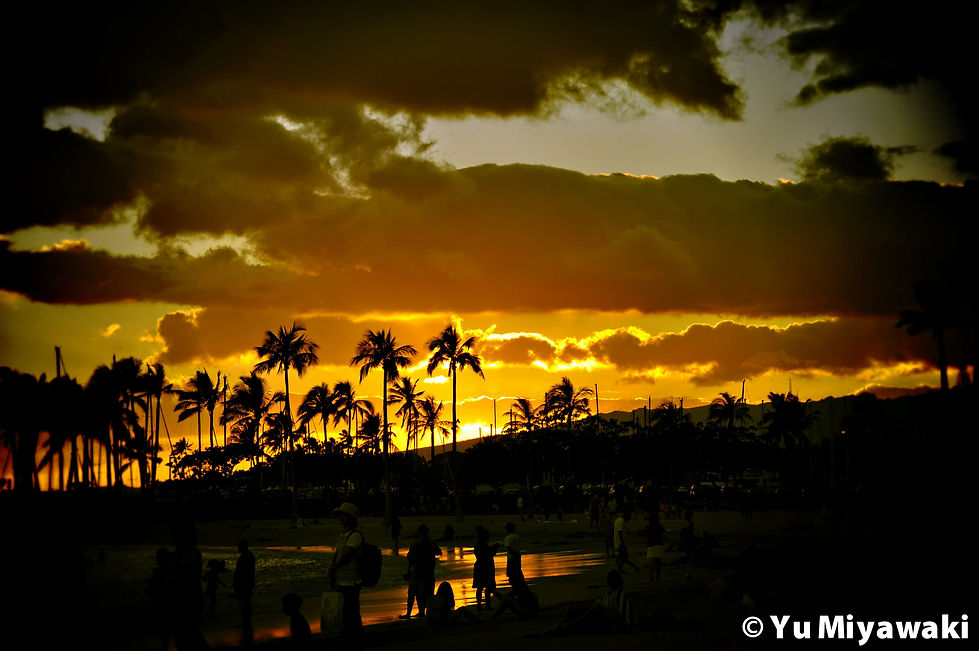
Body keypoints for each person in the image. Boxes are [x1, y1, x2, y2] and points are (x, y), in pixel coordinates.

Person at [543, 569, 634, 637]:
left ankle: (565, 627)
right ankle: (557, 628)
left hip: (606, 623)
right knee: (573, 609)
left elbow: (625, 620)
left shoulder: (619, 595)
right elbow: (596, 604)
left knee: (592, 610)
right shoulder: (609, 595)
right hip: (599, 618)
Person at [327, 502, 363, 639]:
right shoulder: (343, 535)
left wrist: (333, 568)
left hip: (351, 580)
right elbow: (338, 554)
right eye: (339, 515)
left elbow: (345, 556)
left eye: (344, 515)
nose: (341, 518)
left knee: (351, 612)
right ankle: (351, 636)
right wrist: (332, 571)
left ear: (351, 518)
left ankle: (355, 637)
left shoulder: (355, 535)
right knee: (345, 612)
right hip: (342, 580)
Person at [403, 524, 442, 618]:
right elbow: (439, 552)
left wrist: (408, 571)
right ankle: (423, 612)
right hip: (429, 570)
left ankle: (409, 613)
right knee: (426, 593)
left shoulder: (416, 543)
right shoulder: (431, 542)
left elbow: (410, 559)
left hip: (417, 570)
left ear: (420, 531)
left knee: (413, 593)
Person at [147, 547, 174, 651]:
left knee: (165, 631)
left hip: (165, 605)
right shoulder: (165, 571)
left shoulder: (165, 572)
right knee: (166, 632)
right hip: (164, 605)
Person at [472, 526, 500, 610]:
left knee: (480, 587)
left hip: (479, 566)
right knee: (488, 586)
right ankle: (487, 605)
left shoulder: (478, 545)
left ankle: (479, 605)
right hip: (486, 567)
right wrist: (495, 548)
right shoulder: (484, 546)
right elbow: (490, 554)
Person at [233, 538, 255, 642]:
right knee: (246, 603)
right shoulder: (249, 556)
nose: (238, 548)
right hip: (246, 584)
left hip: (244, 584)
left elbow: (244, 573)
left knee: (245, 603)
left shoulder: (245, 557)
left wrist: (240, 584)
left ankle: (246, 622)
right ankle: (246, 622)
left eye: (239, 546)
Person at [644, 512, 666, 581]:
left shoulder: (647, 526)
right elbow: (663, 533)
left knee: (652, 563)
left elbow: (646, 535)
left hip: (651, 545)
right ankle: (657, 576)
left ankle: (651, 576)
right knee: (658, 563)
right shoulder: (659, 526)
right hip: (658, 545)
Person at [503, 522, 524, 586]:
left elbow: (509, 548)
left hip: (511, 558)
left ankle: (515, 588)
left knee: (511, 575)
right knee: (518, 572)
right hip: (518, 556)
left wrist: (513, 555)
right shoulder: (517, 536)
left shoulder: (507, 538)